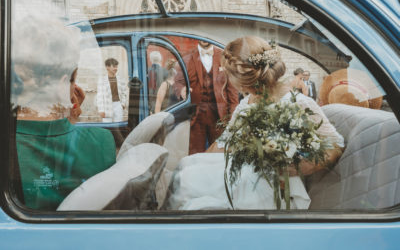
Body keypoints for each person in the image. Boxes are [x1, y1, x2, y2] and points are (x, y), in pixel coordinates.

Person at [165, 36, 344, 210]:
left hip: (269, 186)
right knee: (187, 169)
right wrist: (198, 161)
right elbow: (225, 142)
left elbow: (335, 145)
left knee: (189, 184)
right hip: (245, 173)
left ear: (243, 79)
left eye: (228, 74)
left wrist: (298, 168)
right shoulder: (247, 102)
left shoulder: (297, 102)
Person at [12, 15, 116, 210]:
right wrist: (69, 124)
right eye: (72, 79)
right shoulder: (102, 142)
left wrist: (66, 120)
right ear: (61, 82)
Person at [175, 40, 239, 154]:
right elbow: (178, 82)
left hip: (220, 117)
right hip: (196, 117)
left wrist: (232, 118)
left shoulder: (224, 56)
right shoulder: (188, 57)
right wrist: (181, 90)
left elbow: (232, 91)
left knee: (220, 153)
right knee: (195, 154)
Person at [97, 58, 128, 122]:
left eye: (116, 66)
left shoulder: (120, 79)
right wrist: (101, 110)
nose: (116, 68)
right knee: (107, 125)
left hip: (118, 105)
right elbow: (100, 96)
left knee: (119, 125)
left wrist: (123, 104)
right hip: (107, 106)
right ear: (107, 67)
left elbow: (124, 92)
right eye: (114, 66)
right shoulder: (102, 80)